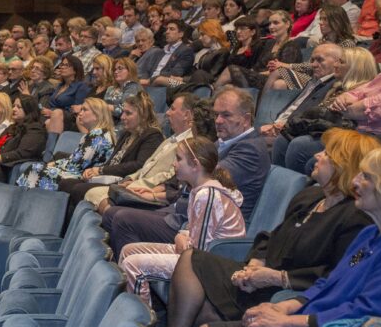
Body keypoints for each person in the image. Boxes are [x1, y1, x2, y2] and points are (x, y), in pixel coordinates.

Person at [163, 128, 381, 327]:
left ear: (342, 165)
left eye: (326, 153)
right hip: (260, 276)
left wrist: (276, 277)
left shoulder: (355, 217)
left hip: (285, 288)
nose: (317, 155)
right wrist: (256, 263)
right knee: (192, 259)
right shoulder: (310, 196)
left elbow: (330, 274)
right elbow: (271, 236)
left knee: (204, 312)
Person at [103, 88, 269, 256]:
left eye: (226, 115)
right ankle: (141, 271)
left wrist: (160, 194)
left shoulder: (250, 149)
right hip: (185, 213)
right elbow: (191, 178)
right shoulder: (224, 142)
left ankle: (142, 275)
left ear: (246, 119)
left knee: (122, 220)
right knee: (112, 212)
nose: (218, 121)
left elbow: (204, 179)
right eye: (216, 114)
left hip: (207, 231)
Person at [120, 136, 246, 307]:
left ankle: (138, 322)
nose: (174, 164)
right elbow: (195, 232)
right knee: (128, 250)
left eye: (179, 159)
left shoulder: (208, 195)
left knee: (133, 265)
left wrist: (181, 239)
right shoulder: (198, 191)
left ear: (195, 164)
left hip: (212, 265)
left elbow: (200, 255)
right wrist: (182, 235)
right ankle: (125, 310)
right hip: (193, 253)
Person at [88, 93, 214, 213]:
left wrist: (145, 188)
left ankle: (111, 220)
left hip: (150, 188)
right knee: (90, 193)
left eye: (173, 109)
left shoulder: (189, 144)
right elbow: (147, 165)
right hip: (140, 184)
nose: (167, 112)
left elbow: (171, 176)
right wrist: (131, 178)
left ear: (187, 115)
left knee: (93, 195)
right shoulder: (171, 138)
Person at [54, 92, 165, 206]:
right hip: (108, 176)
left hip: (124, 182)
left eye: (128, 113)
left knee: (78, 188)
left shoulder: (152, 135)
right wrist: (95, 170)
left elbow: (139, 165)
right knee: (66, 183)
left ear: (143, 116)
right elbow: (112, 160)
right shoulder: (127, 134)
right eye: (122, 112)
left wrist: (101, 170)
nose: (122, 117)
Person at [16, 98, 116, 189]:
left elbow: (78, 164)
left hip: (83, 176)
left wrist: (55, 164)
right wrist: (55, 163)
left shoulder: (97, 134)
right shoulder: (100, 132)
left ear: (97, 115)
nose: (80, 113)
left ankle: (23, 200)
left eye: (85, 110)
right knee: (38, 167)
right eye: (81, 110)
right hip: (81, 173)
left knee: (36, 168)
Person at [216, 11, 300, 90]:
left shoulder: (291, 46)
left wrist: (255, 74)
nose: (271, 26)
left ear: (287, 24)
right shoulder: (269, 43)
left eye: (276, 23)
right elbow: (257, 65)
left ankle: (210, 98)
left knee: (231, 69)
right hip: (257, 76)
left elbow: (283, 72)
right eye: (270, 23)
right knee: (228, 86)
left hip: (268, 80)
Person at [42, 55, 90, 133]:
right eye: (61, 65)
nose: (62, 67)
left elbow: (76, 110)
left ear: (75, 70)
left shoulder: (81, 86)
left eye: (66, 65)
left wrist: (53, 113)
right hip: (52, 117)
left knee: (52, 119)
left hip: (70, 120)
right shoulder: (59, 86)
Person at [103, 57, 143, 121]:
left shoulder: (133, 87)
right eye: (114, 69)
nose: (116, 72)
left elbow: (124, 110)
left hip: (124, 123)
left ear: (130, 70)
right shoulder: (110, 88)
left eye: (120, 68)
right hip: (107, 122)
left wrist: (102, 107)